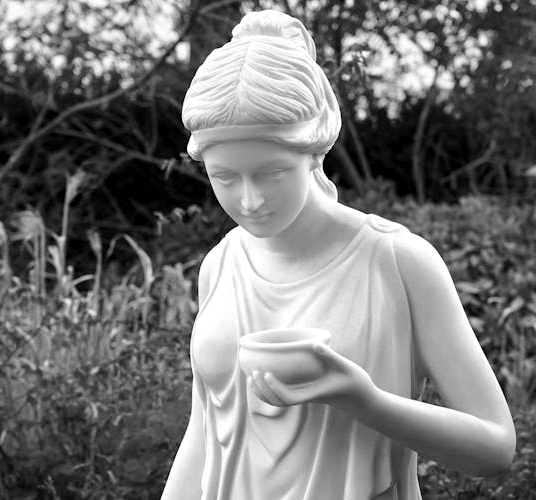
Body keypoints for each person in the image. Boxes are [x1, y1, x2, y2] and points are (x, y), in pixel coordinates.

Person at [162, 9, 515, 500]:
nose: (249, 200)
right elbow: (203, 435)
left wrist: (364, 401)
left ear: (314, 152)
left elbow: (495, 449)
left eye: (271, 173)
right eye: (224, 177)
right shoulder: (220, 265)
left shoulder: (397, 262)